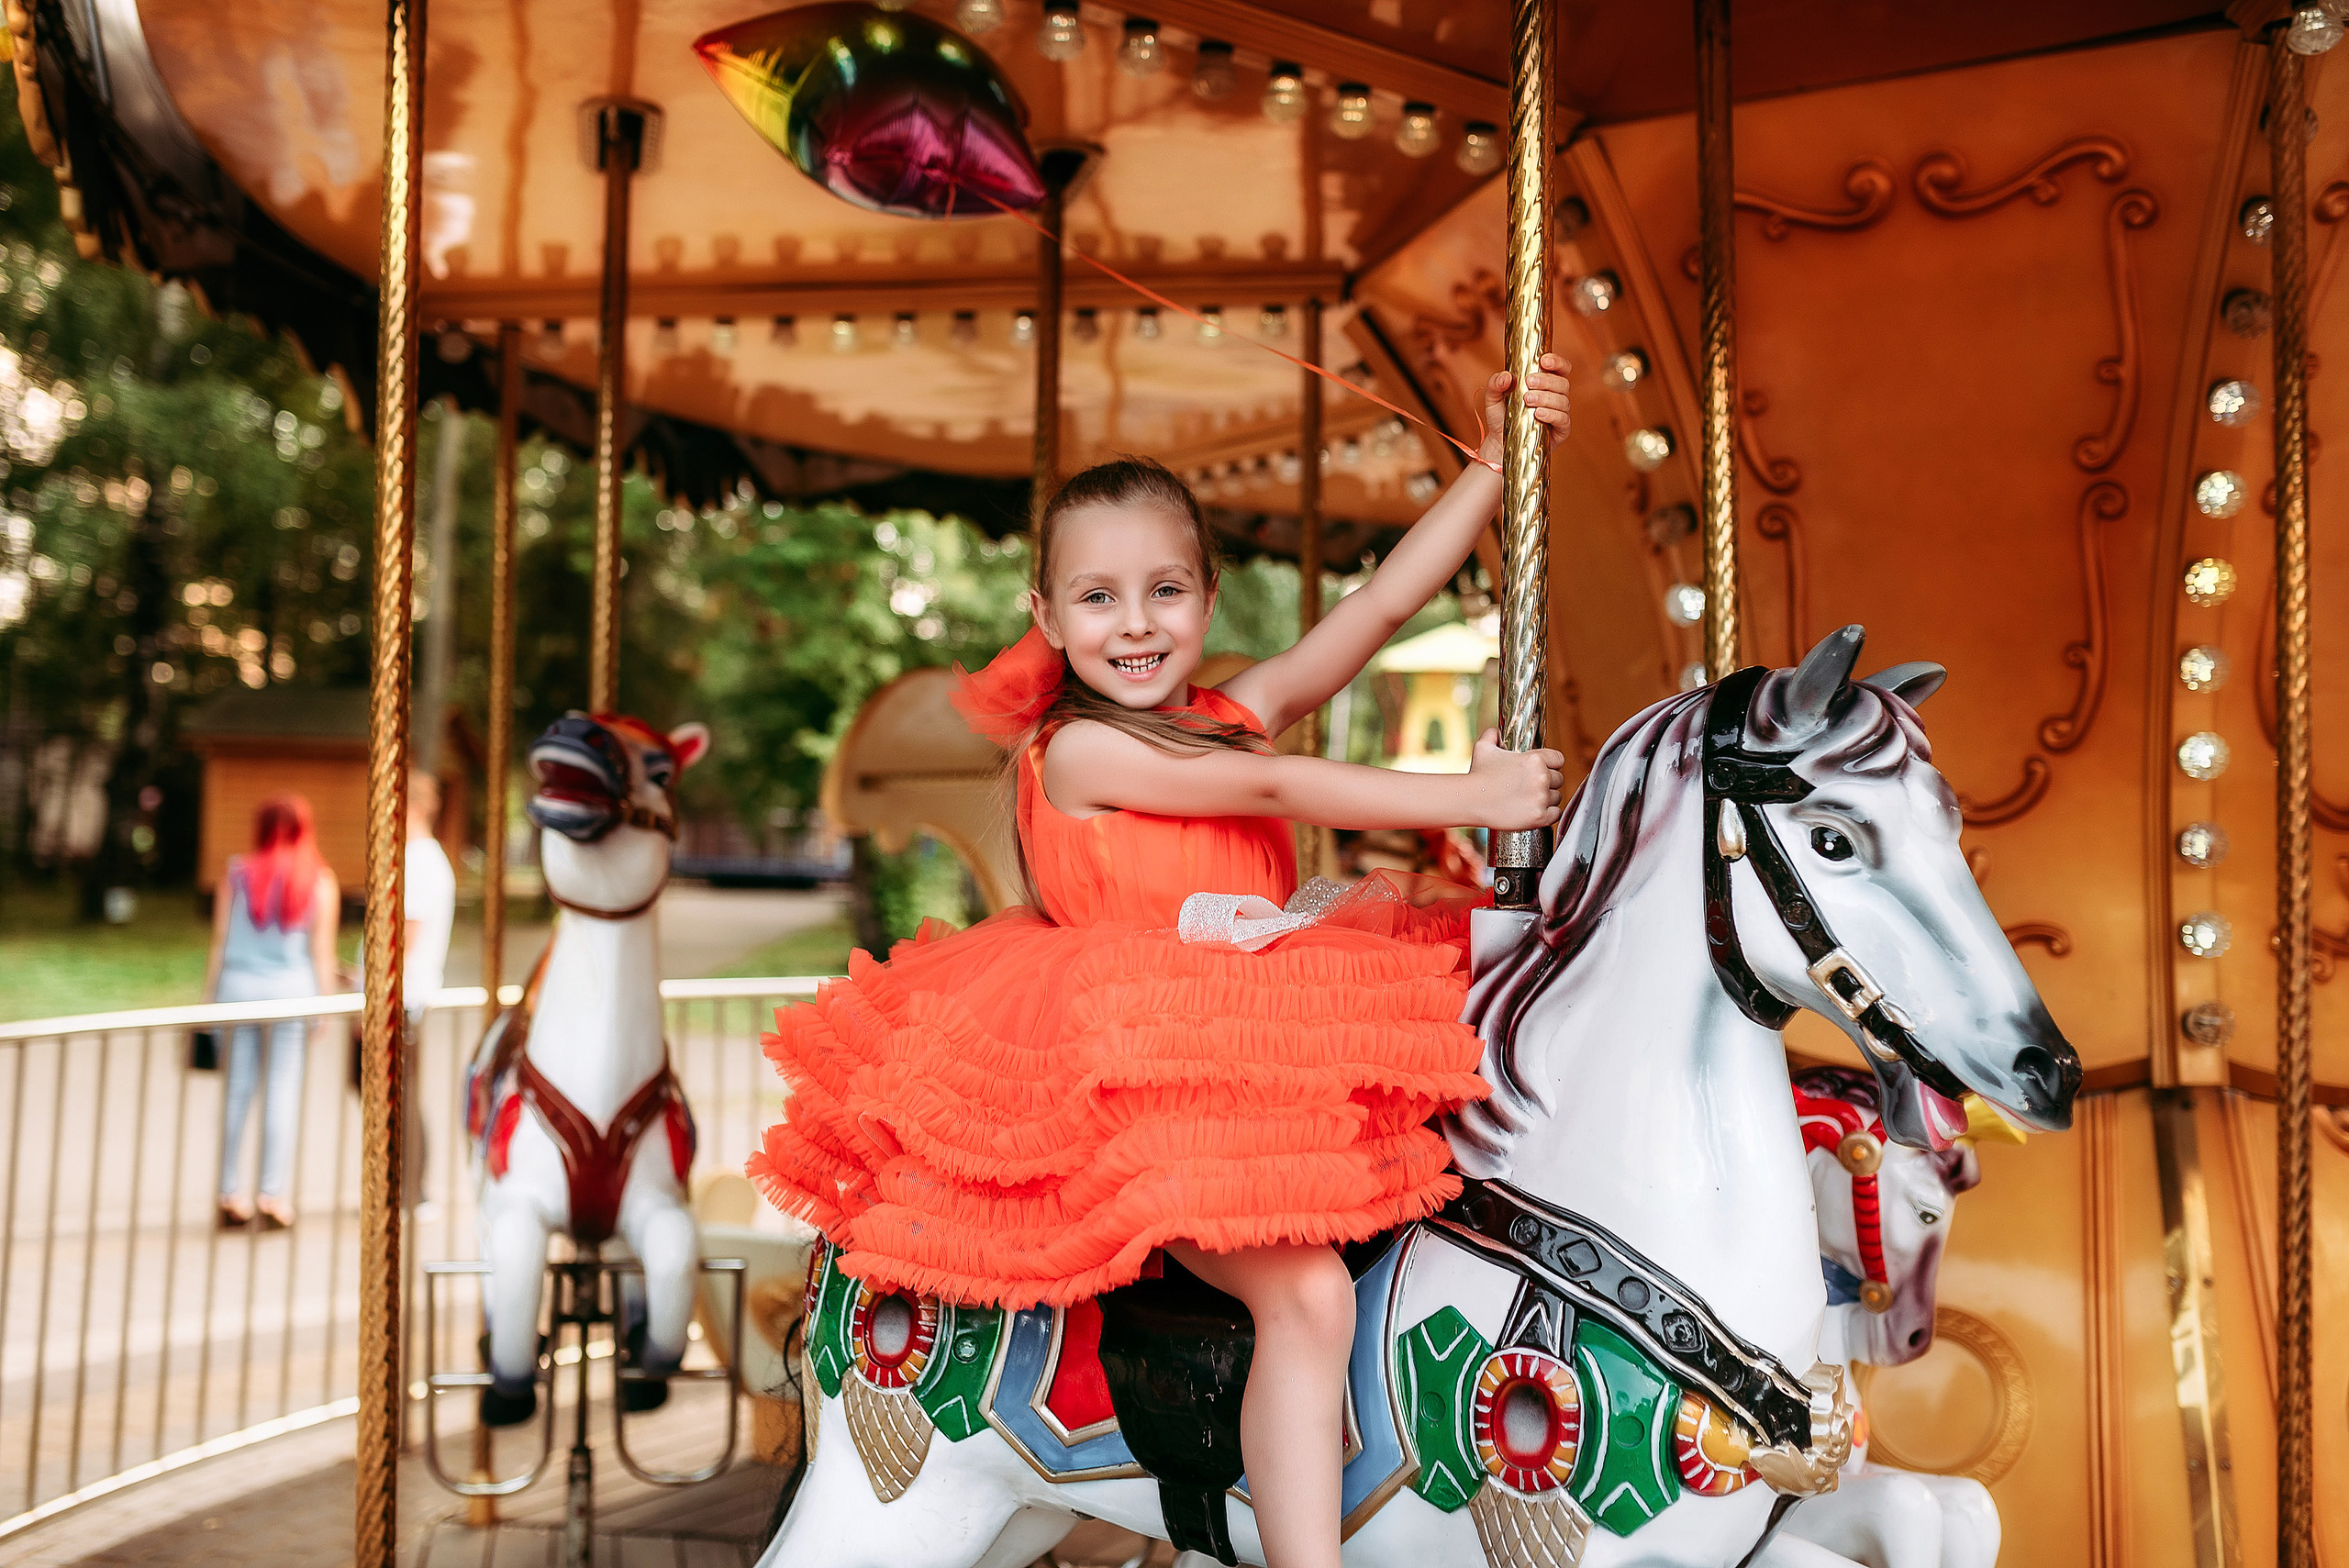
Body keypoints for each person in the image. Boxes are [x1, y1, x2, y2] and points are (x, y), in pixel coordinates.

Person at [753, 359, 1570, 1568]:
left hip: (1247, 1071)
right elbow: (1268, 784)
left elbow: (1379, 611)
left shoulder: (1227, 709)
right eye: (1098, 597)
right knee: (1303, 1295)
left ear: (1206, 594)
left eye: (1164, 589)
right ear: (1046, 614)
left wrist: (1496, 469)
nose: (1133, 622)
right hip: (1134, 1089)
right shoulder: (1076, 750)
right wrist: (1469, 791)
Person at [203, 794, 340, 1229]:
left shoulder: (235, 873)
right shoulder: (319, 880)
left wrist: (208, 1000)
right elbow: (321, 951)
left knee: (238, 1090)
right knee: (282, 1090)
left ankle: (229, 1192)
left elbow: (220, 941)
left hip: (238, 989)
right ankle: (272, 1194)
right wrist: (324, 1008)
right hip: (292, 993)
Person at [404, 769, 456, 1210]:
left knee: (400, 1091)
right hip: (403, 990)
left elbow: (408, 932)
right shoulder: (419, 858)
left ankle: (413, 1185)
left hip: (405, 993)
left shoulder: (421, 861)